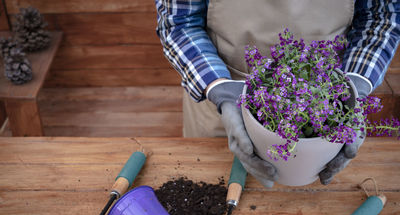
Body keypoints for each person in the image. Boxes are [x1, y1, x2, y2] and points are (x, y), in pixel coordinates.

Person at [155, 0, 400, 187]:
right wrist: (222, 91)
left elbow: (380, 20)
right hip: (220, 97)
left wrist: (353, 89)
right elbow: (179, 24)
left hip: (325, 103)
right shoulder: (222, 93)